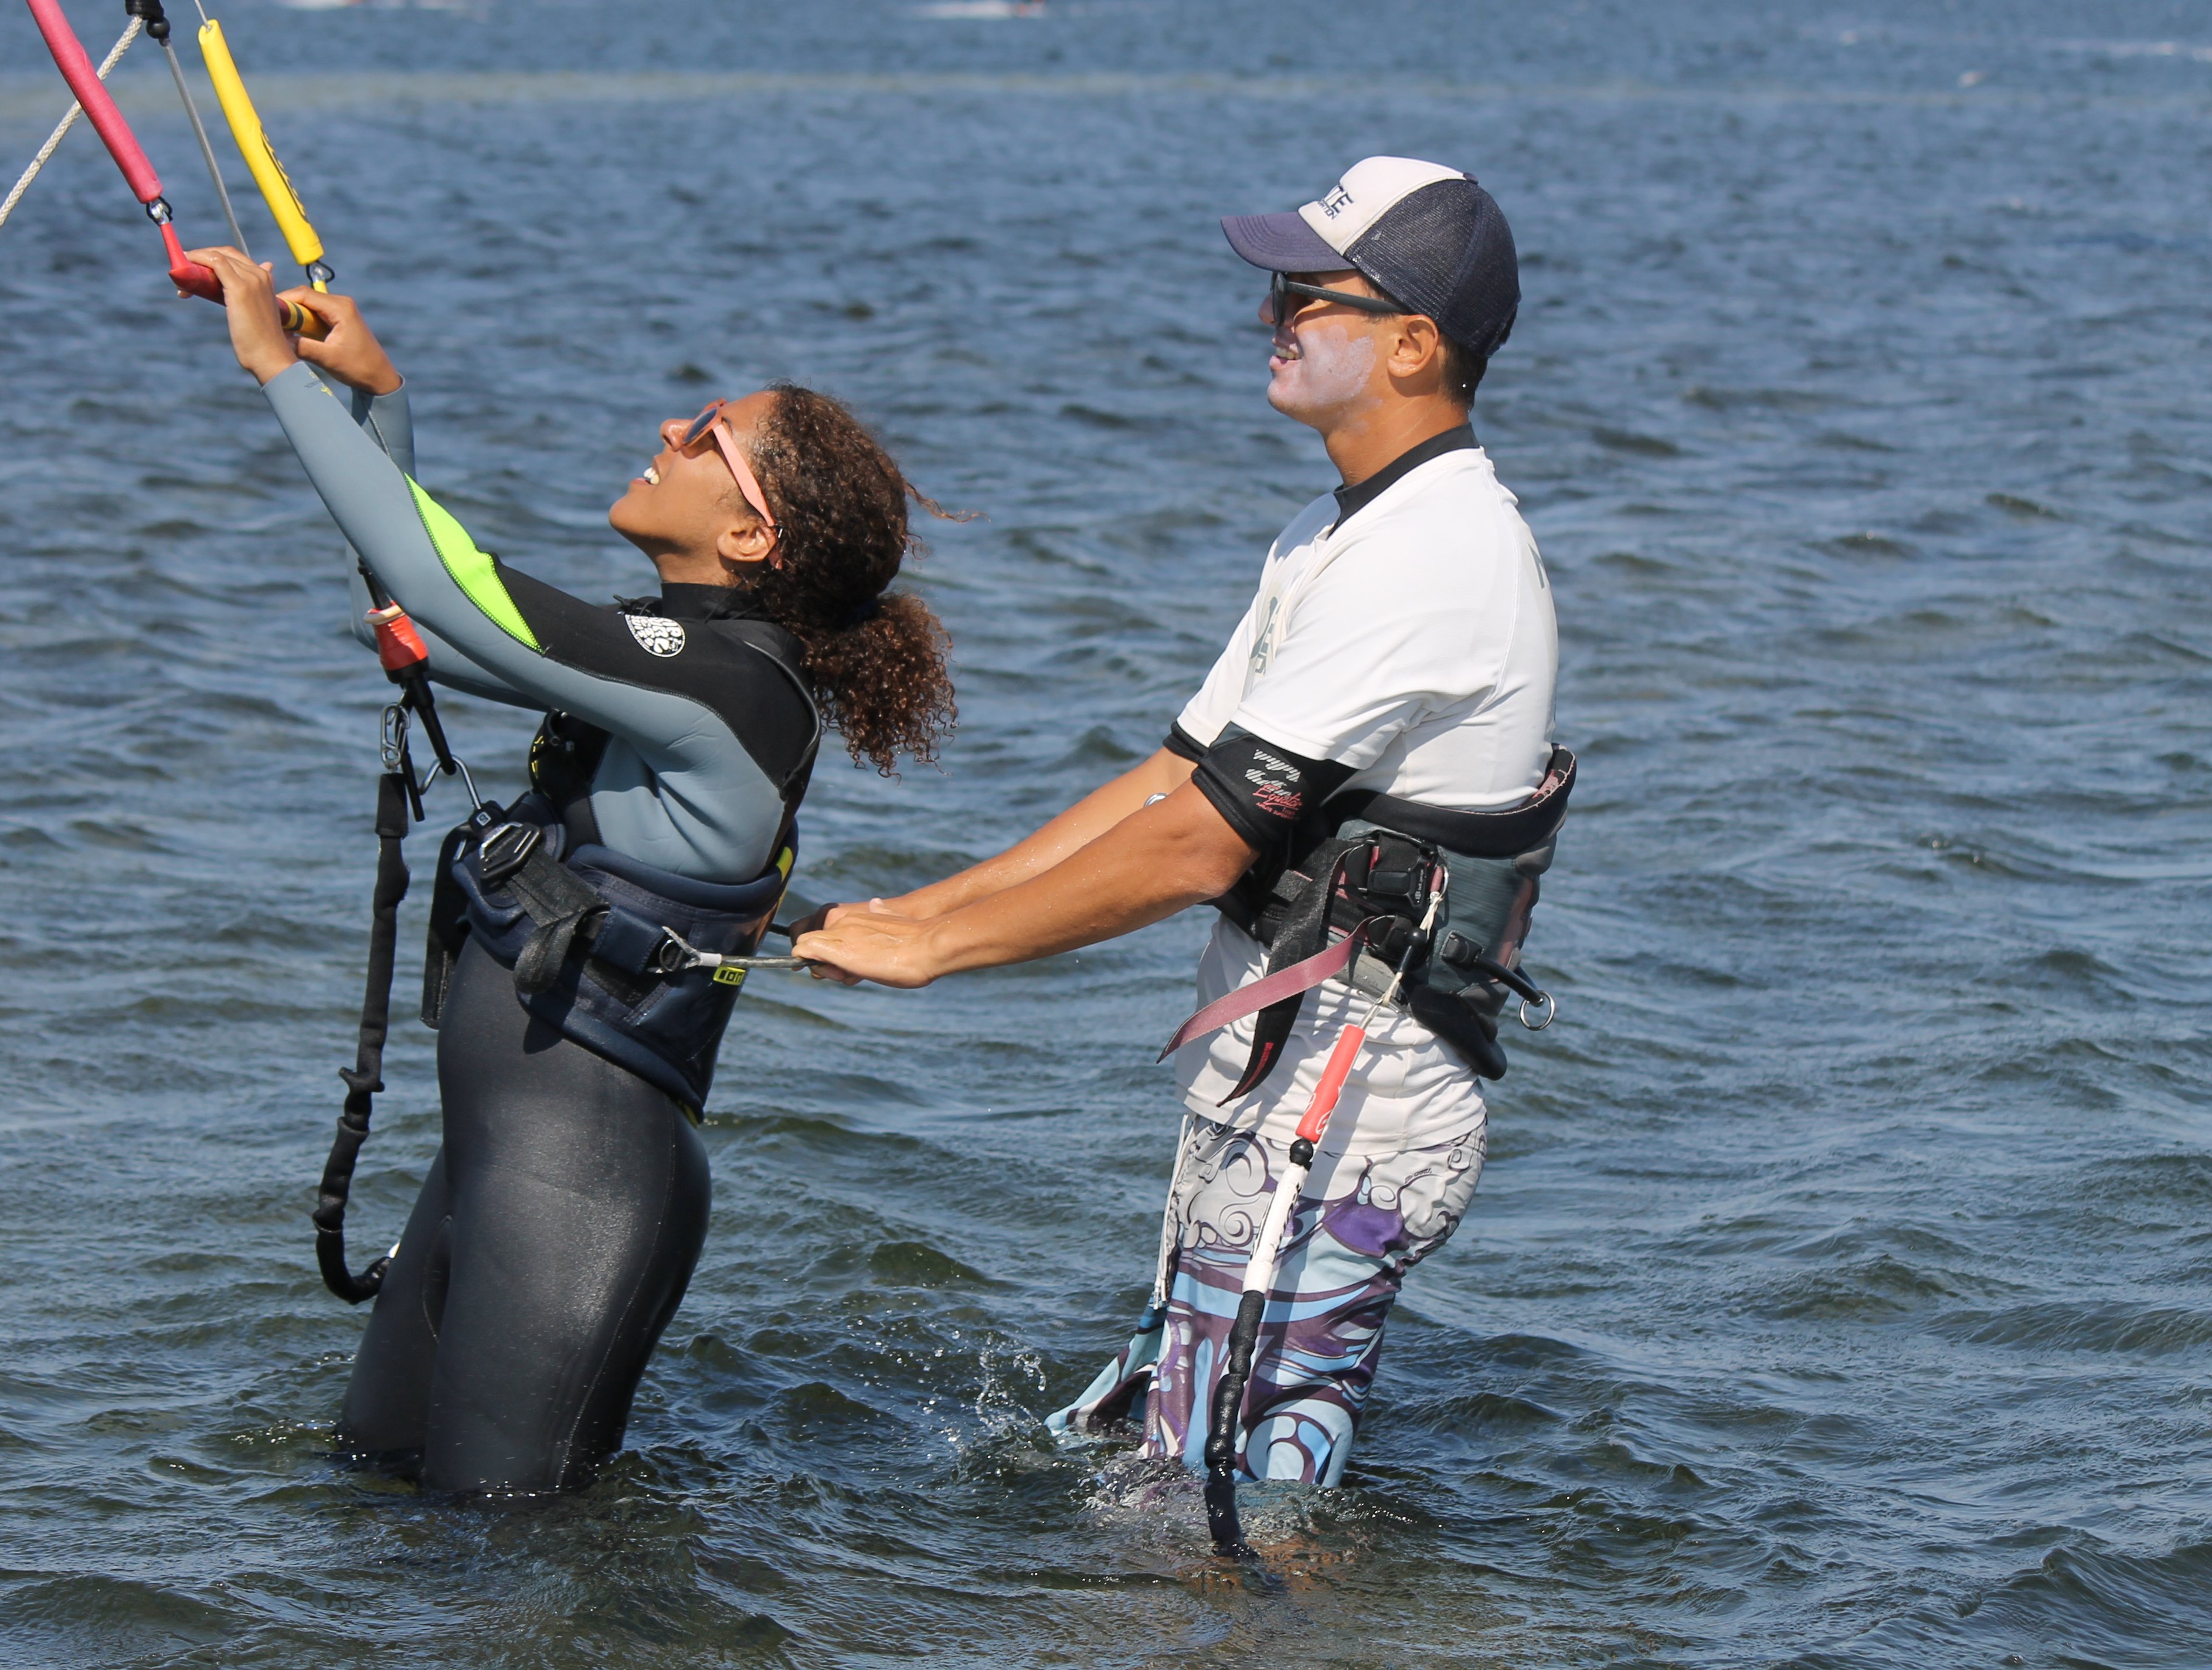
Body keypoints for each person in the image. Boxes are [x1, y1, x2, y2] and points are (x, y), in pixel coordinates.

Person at [794, 157, 1565, 1492]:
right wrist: (919, 911)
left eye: (1302, 293)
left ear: (1414, 343)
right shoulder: (1327, 534)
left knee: (1224, 1525)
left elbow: (1202, 843)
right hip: (1276, 1090)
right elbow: (1169, 776)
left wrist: (941, 958)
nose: (1270, 315)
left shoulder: (1440, 550)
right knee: (1170, 1476)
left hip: (1351, 1117)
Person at [188, 245, 957, 1494]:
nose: (671, 424)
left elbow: (449, 585)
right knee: (374, 1493)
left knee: (517, 1556)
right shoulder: (679, 658)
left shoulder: (726, 686)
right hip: (494, 1162)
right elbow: (409, 617)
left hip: (584, 1184)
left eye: (708, 432)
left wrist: (279, 371)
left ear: (751, 531)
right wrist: (381, 398)